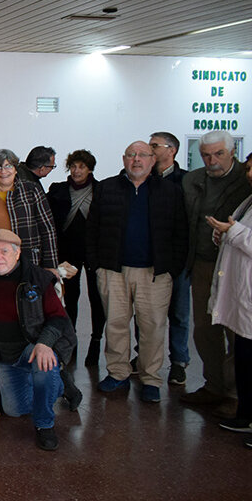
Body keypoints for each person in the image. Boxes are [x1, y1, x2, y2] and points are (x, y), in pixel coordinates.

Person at [87, 141, 187, 402]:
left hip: (155, 273)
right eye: (131, 155)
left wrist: (172, 269)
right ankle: (118, 373)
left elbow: (181, 232)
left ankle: (150, 378)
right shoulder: (107, 188)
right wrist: (97, 265)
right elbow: (93, 229)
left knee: (153, 326)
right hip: (113, 271)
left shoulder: (169, 191)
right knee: (116, 325)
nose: (137, 160)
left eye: (143, 155)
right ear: (123, 159)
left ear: (153, 160)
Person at [0, 230, 76, 451]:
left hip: (31, 347)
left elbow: (59, 318)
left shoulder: (37, 278)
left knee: (45, 364)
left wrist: (44, 344)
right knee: (16, 410)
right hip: (6, 357)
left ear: (17, 253)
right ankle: (62, 385)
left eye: (4, 251)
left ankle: (45, 425)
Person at [181, 131, 251, 416]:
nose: (212, 160)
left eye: (218, 154)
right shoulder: (192, 180)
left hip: (237, 267)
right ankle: (214, 385)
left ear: (231, 152)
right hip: (202, 264)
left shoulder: (245, 183)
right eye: (206, 155)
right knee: (205, 328)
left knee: (237, 330)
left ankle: (235, 393)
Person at [207, 153, 252, 445]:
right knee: (246, 358)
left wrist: (232, 231)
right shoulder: (248, 200)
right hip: (242, 293)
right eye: (248, 168)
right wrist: (224, 235)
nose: (249, 174)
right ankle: (245, 415)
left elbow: (244, 236)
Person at [46, 149, 105, 366]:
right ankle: (69, 342)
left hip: (93, 252)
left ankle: (96, 341)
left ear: (90, 168)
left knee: (97, 298)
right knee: (69, 299)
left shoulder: (101, 190)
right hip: (67, 252)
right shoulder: (58, 190)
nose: (77, 170)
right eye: (73, 166)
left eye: (81, 166)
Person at [0, 149, 58, 271]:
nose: (3, 171)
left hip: (29, 259)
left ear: (15, 169)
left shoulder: (31, 190)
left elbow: (48, 229)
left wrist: (50, 265)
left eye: (8, 166)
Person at [149, 130, 189, 386]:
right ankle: (143, 358)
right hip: (149, 256)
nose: (150, 150)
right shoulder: (143, 179)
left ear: (171, 150)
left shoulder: (186, 181)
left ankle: (178, 362)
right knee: (146, 313)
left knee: (179, 312)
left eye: (155, 146)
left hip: (177, 255)